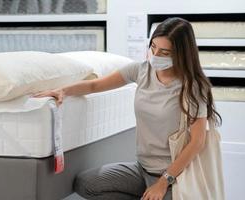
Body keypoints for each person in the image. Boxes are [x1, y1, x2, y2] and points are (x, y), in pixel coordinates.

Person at [33, 17, 222, 200]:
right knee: (87, 184)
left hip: (175, 176)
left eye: (164, 53)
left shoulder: (193, 87)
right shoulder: (141, 70)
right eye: (153, 48)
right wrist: (63, 91)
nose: (155, 56)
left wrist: (164, 181)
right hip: (142, 169)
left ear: (181, 54)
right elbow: (95, 86)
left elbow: (197, 141)